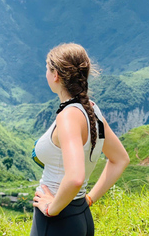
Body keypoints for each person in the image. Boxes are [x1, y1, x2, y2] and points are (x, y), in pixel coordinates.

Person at [30, 43, 130, 236]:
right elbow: (120, 159)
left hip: (57, 220)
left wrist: (52, 209)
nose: (46, 75)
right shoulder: (92, 110)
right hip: (81, 215)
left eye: (46, 69)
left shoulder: (68, 116)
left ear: (56, 75)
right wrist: (89, 199)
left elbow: (75, 178)